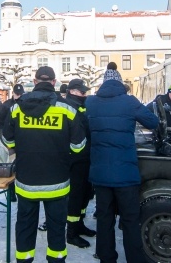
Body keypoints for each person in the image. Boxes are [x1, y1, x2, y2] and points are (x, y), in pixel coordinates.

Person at [2, 66, 86, 263]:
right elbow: (79, 145)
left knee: (24, 226)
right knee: (57, 229)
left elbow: (8, 142)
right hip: (57, 182)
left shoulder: (16, 107)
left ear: (35, 80)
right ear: (54, 82)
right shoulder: (67, 109)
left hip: (26, 182)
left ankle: (24, 260)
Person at [85, 64, 159, 263]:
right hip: (126, 175)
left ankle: (106, 258)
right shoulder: (130, 101)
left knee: (104, 219)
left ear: (103, 83)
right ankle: (135, 259)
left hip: (100, 174)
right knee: (130, 220)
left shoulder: (91, 103)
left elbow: (84, 128)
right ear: (120, 82)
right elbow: (152, 122)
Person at [65, 78, 96, 249]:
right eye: (82, 92)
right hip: (75, 160)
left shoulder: (81, 106)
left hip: (85, 158)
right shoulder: (70, 107)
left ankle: (80, 224)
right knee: (76, 197)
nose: (85, 94)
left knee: (85, 194)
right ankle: (71, 233)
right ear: (73, 91)